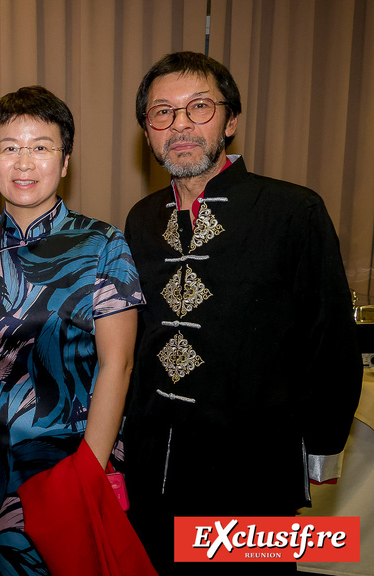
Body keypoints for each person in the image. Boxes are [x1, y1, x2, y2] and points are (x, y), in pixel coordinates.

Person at [123, 51, 362, 575]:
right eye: (162, 112)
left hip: (254, 470)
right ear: (147, 130)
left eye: (198, 108)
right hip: (154, 466)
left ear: (231, 120)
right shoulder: (141, 219)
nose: (179, 124)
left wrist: (323, 444)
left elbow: (329, 336)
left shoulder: (292, 211)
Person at [0, 86, 146, 576]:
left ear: (65, 159)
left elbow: (117, 364)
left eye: (41, 146)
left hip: (66, 462)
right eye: (9, 147)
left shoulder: (102, 243)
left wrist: (87, 476)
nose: (24, 161)